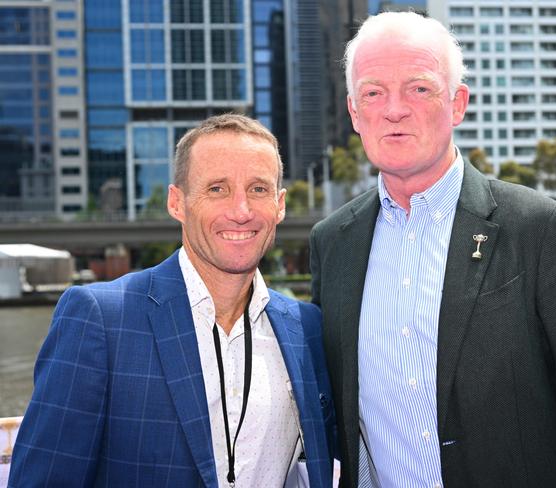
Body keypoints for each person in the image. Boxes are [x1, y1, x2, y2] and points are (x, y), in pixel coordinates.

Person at [309, 11, 556, 488]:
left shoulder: (540, 229)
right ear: (354, 112)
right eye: (373, 92)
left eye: (419, 89)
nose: (394, 109)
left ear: (457, 103)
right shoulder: (333, 242)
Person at [9, 114, 335, 487]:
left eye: (258, 189)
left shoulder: (306, 328)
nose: (241, 211)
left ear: (279, 205)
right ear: (177, 203)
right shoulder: (100, 319)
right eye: (217, 189)